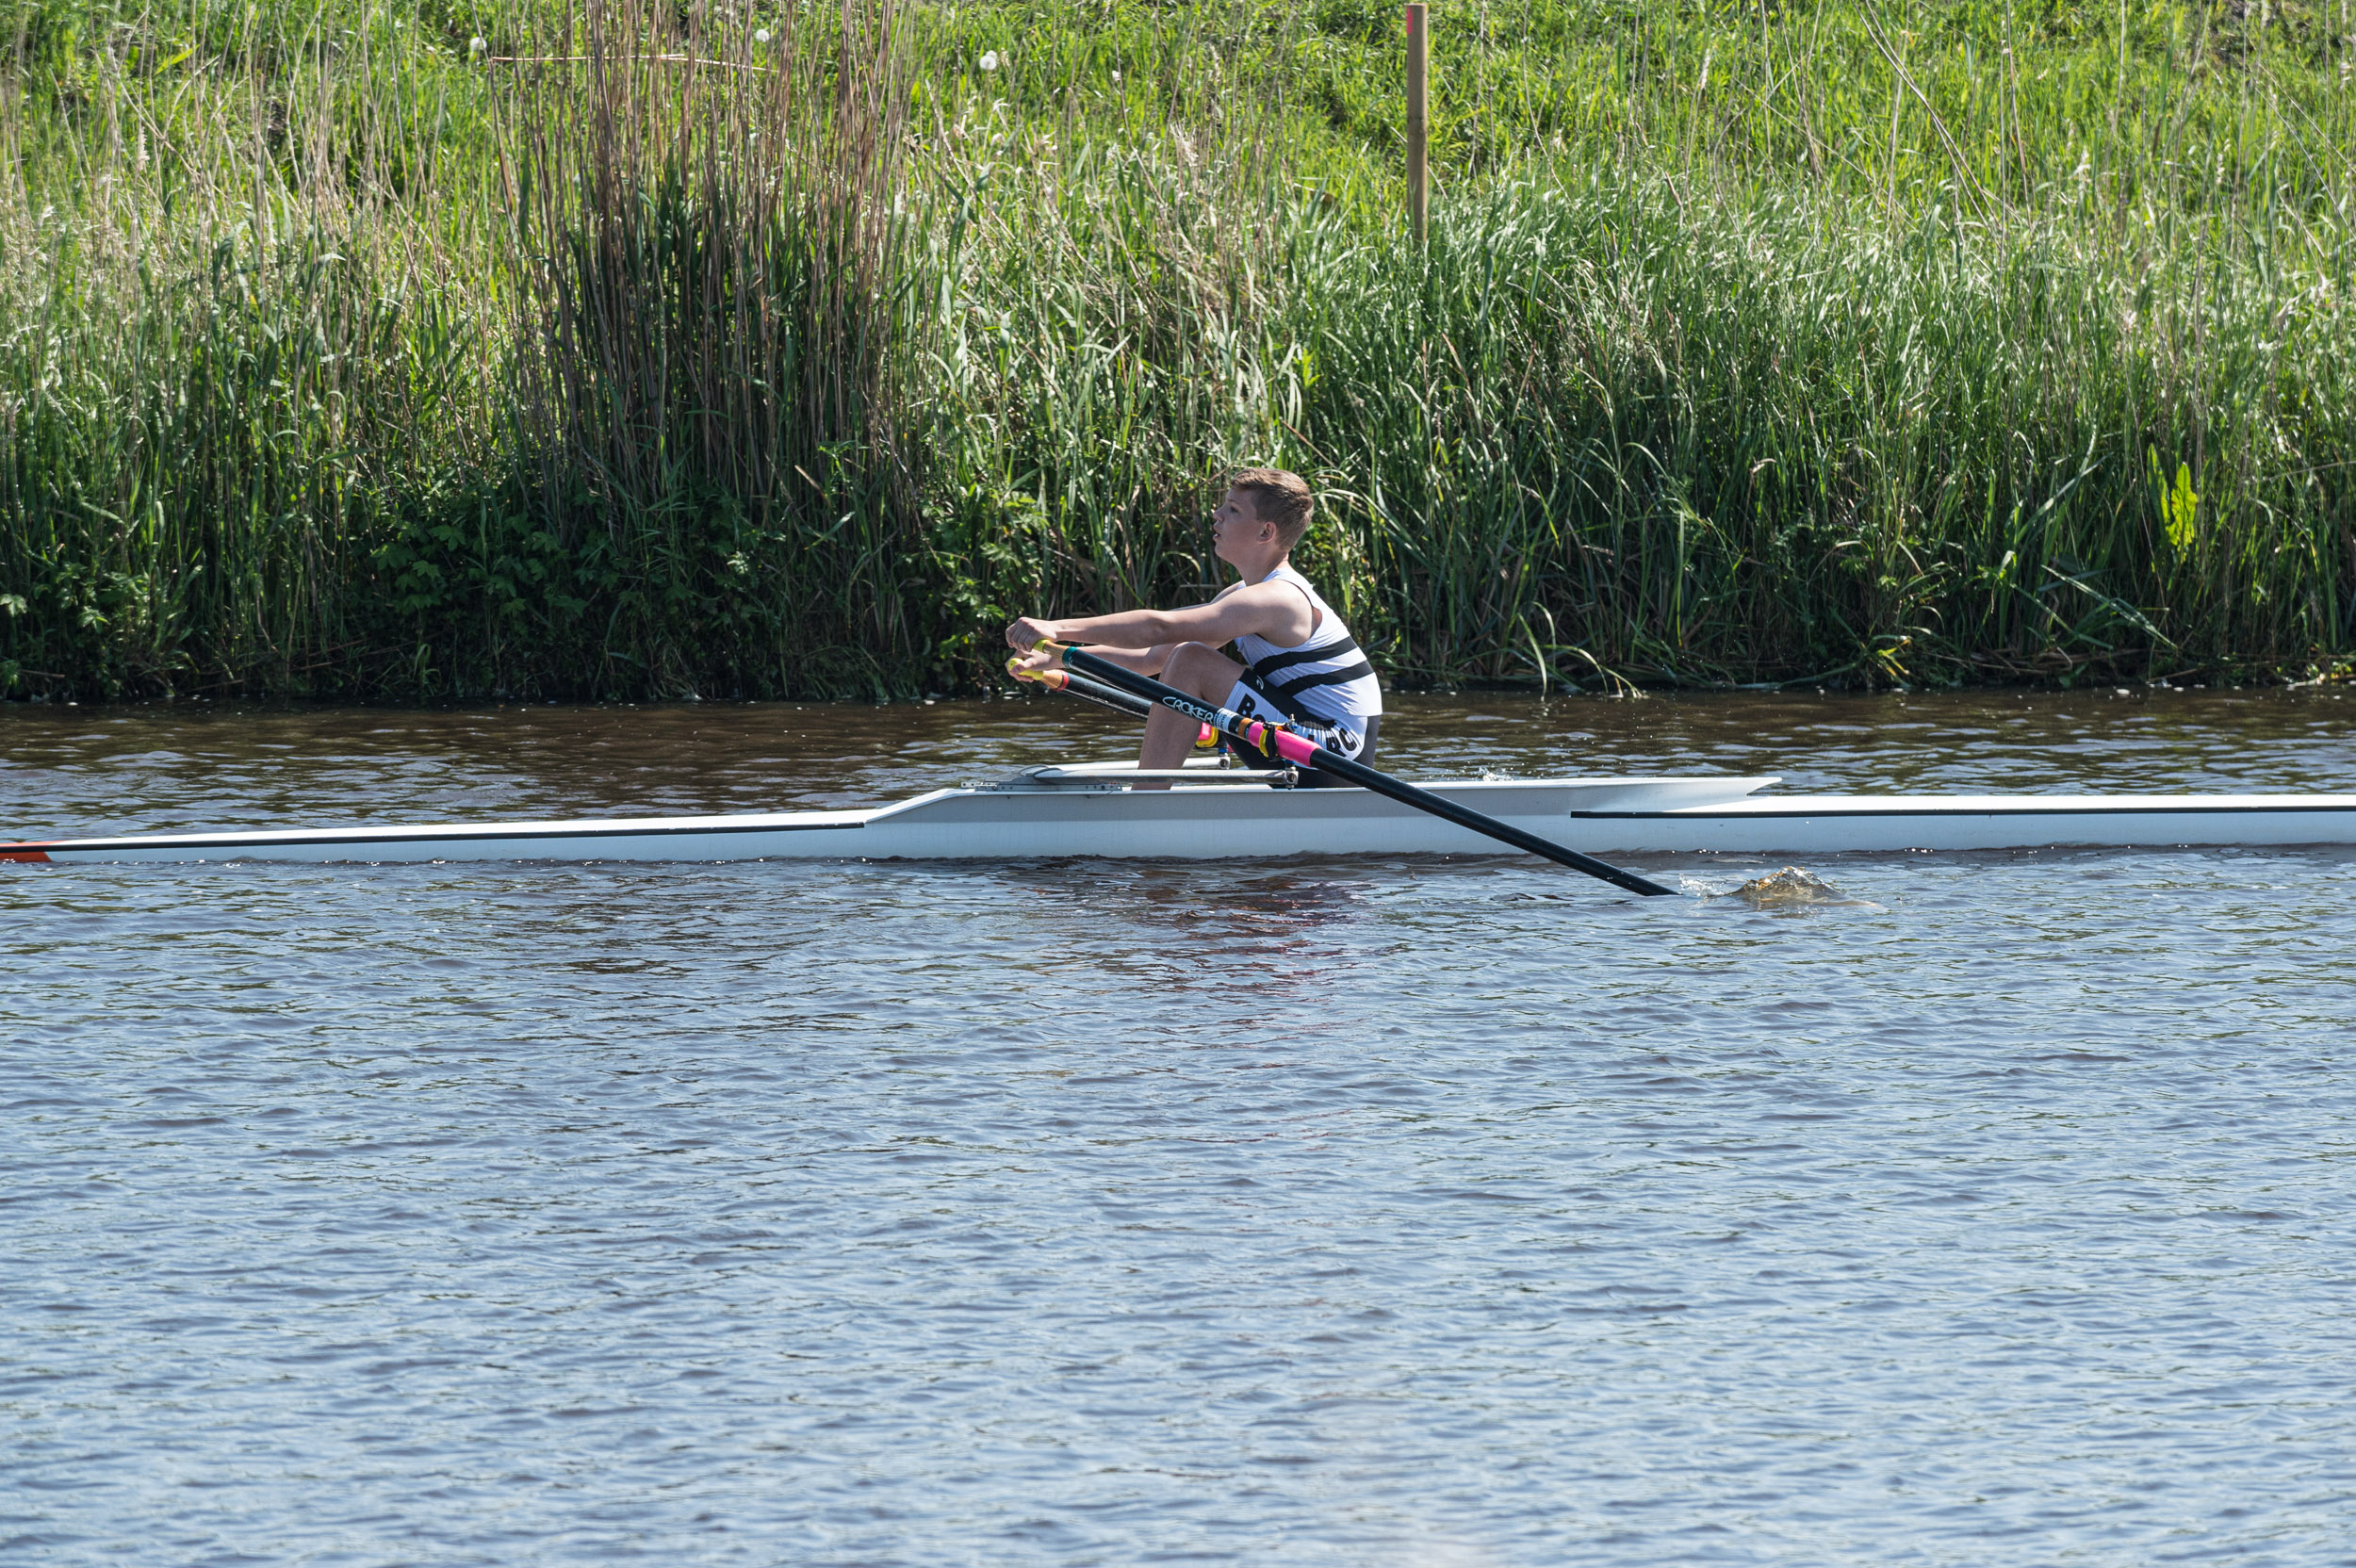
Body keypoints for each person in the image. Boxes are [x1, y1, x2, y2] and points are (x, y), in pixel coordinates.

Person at [1005, 468, 1381, 782]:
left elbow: (1160, 627)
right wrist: (1059, 660)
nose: (1216, 514)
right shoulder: (1245, 594)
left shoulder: (1277, 598)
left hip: (1336, 751)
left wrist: (1056, 628)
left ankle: (1147, 805)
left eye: (1233, 510)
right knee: (1184, 659)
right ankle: (1151, 797)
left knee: (1192, 660)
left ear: (1266, 533)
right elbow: (1155, 657)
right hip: (1305, 739)